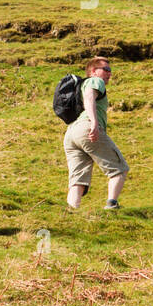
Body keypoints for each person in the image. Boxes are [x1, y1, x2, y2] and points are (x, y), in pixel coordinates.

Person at [63, 57, 129, 211]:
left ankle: (71, 211)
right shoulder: (95, 81)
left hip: (72, 133)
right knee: (119, 169)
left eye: (110, 70)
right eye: (106, 69)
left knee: (78, 178)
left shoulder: (81, 85)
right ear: (93, 71)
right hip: (86, 127)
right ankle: (111, 204)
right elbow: (89, 97)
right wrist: (94, 122)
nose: (109, 73)